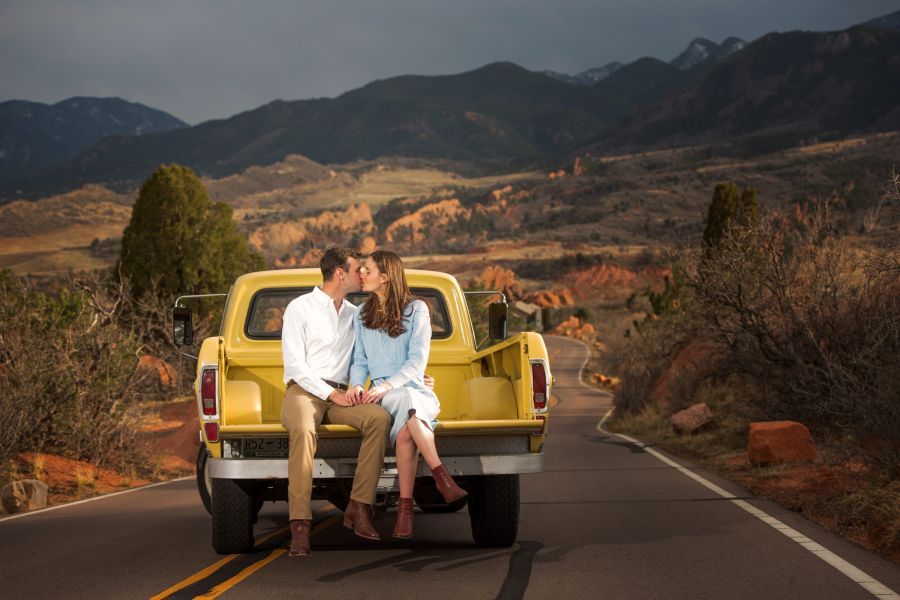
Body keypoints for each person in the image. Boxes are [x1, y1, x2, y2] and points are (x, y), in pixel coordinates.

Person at [348, 250, 467, 540]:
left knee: (404, 431)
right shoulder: (362, 315)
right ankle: (442, 478)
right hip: (384, 393)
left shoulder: (417, 310)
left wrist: (388, 386)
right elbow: (360, 361)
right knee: (406, 403)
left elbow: (417, 362)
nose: (362, 274)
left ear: (385, 277)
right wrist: (357, 385)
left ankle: (405, 510)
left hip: (413, 388)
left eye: (368, 270)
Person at [280, 247, 390, 557]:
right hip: (303, 392)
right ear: (339, 273)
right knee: (302, 429)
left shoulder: (358, 315)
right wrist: (330, 394)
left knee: (379, 419)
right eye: (358, 270)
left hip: (344, 395)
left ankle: (358, 506)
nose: (363, 275)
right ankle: (300, 524)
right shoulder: (299, 308)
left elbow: (377, 356)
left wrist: (417, 377)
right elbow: (295, 366)